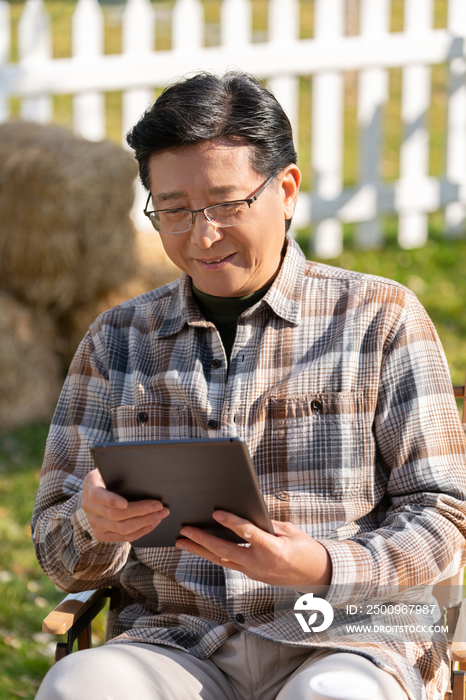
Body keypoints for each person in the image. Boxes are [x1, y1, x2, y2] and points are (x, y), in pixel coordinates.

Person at [32, 71, 466, 700]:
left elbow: (446, 516)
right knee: (79, 687)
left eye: (226, 205)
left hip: (345, 635)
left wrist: (318, 565)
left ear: (286, 190)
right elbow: (55, 547)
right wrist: (93, 524)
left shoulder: (381, 318)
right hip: (176, 643)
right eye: (173, 211)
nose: (200, 236)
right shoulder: (116, 339)